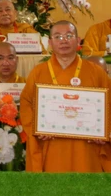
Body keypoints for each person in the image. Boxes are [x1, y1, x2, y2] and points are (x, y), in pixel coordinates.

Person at [20, 20, 110, 172]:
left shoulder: (96, 72)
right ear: (50, 43)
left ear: (78, 40)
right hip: (51, 145)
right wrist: (36, 128)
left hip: (86, 148)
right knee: (54, 184)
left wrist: (104, 131)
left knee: (85, 184)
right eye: (58, 37)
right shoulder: (38, 72)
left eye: (69, 36)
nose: (64, 41)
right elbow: (26, 103)